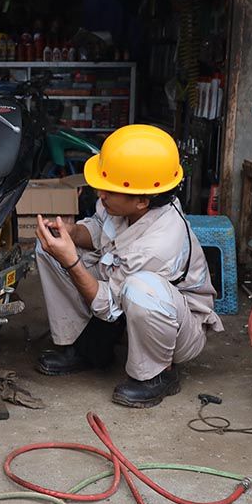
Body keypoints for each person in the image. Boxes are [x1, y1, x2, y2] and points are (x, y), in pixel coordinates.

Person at [33, 124, 223, 408]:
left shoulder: (159, 244)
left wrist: (71, 260)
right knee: (49, 248)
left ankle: (157, 374)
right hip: (123, 293)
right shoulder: (126, 204)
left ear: (142, 201)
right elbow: (99, 231)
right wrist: (71, 234)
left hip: (180, 328)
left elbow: (108, 306)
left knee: (141, 289)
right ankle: (85, 347)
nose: (101, 195)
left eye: (109, 191)